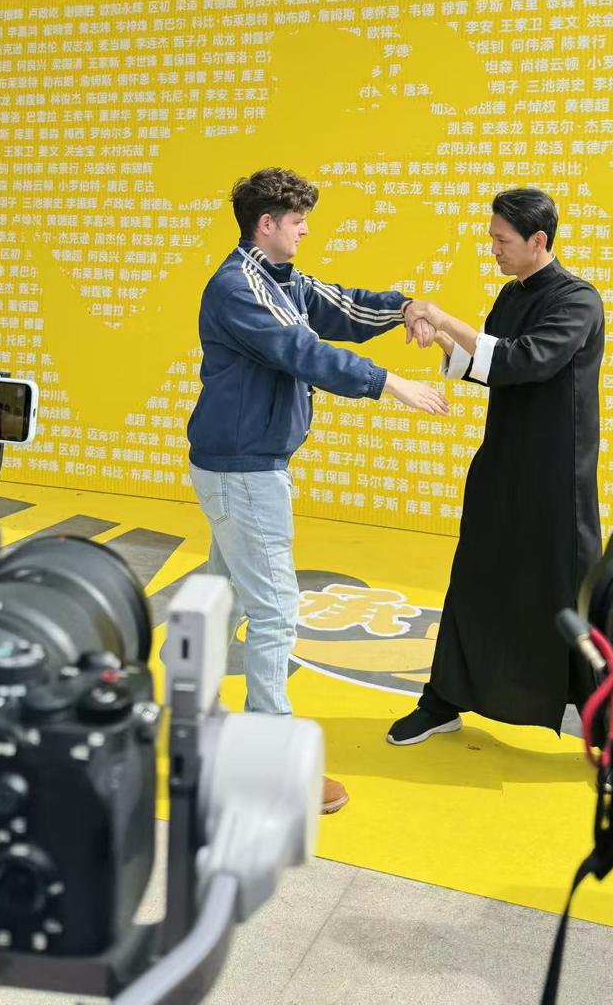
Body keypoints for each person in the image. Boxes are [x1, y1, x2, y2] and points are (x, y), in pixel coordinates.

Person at [188, 167, 448, 815]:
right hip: (245, 472)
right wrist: (392, 384)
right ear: (266, 224)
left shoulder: (282, 280)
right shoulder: (239, 288)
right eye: (297, 220)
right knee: (275, 611)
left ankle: (191, 726)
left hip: (243, 467)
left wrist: (407, 307)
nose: (305, 230)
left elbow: (341, 307)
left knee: (223, 601)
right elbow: (303, 350)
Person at [388, 187, 606, 756]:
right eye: (491, 237)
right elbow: (490, 367)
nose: (493, 249)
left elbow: (526, 359)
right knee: (475, 577)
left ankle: (612, 730)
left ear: (539, 240)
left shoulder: (578, 300)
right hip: (502, 461)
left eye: (502, 240)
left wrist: (447, 318)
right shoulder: (511, 295)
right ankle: (443, 700)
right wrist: (440, 337)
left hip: (556, 477)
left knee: (571, 596)